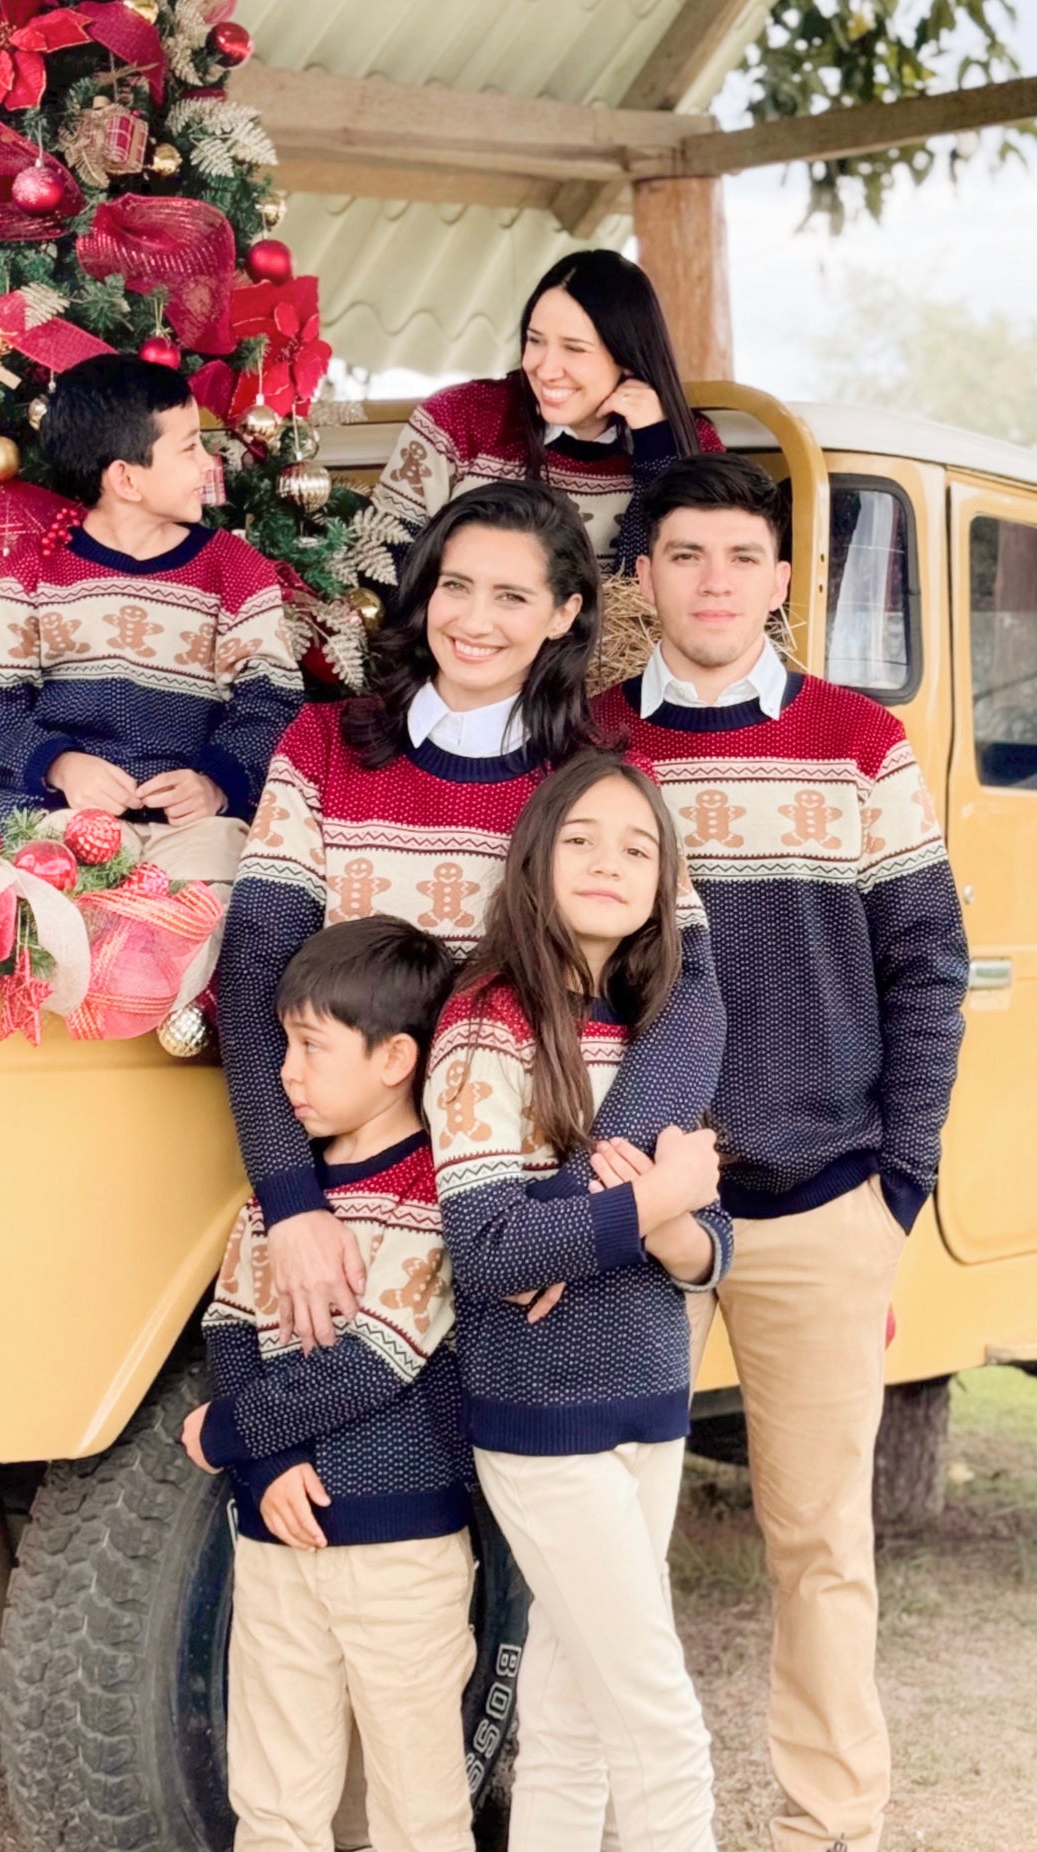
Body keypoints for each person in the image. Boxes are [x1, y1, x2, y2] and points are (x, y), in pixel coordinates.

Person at [593, 453, 970, 1852]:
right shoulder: (592, 746)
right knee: (605, 1545)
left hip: (824, 1201)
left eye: (739, 557)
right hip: (637, 1203)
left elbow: (927, 960)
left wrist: (900, 1180)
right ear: (644, 577)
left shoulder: (858, 743)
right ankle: (619, 1821)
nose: (712, 581)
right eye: (683, 555)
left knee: (818, 1546)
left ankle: (830, 1826)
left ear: (781, 580)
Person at [218, 479, 720, 1353]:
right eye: (455, 586)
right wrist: (290, 1203)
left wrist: (569, 1215)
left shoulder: (597, 774)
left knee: (517, 1482)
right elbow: (255, 970)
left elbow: (688, 998)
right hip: (354, 1213)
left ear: (563, 614)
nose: (474, 620)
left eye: (512, 596)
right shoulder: (322, 748)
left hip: (522, 1212)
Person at [425, 750, 730, 1852]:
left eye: (637, 847)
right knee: (658, 1718)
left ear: (665, 884)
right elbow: (486, 1245)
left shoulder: (658, 1036)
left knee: (572, 1717)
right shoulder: (484, 1026)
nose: (609, 863)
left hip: (652, 1398)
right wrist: (639, 1204)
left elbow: (705, 1240)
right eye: (581, 840)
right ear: (532, 860)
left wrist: (668, 1217)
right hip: (542, 1413)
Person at [182, 914, 476, 1852]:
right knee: (273, 1799)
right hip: (276, 1538)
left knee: (416, 1804)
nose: (285, 1073)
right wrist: (264, 1469)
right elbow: (229, 1325)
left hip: (400, 1547)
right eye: (283, 1045)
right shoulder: (284, 1198)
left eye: (310, 1046)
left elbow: (376, 1362)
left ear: (395, 1059)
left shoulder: (433, 1194)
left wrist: (227, 1437)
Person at [0, 352, 300, 887]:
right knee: (50, 914)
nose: (211, 463)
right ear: (126, 480)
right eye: (189, 448)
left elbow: (271, 705)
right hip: (59, 817)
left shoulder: (235, 571)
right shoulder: (34, 572)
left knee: (224, 903)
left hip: (195, 828)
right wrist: (60, 767)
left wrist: (217, 783)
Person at [368, 249, 725, 582]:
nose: (545, 368)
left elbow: (659, 588)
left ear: (627, 357)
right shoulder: (458, 418)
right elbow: (380, 566)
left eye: (573, 348)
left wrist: (655, 450)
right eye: (535, 340)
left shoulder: (692, 443)